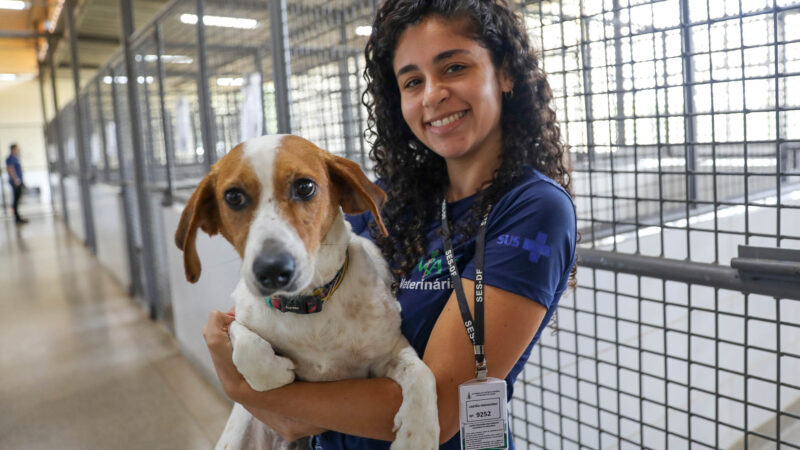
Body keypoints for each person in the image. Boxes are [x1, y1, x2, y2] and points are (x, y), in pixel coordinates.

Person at [202, 0, 577, 448]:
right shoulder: (390, 200)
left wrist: (247, 389)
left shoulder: (534, 209)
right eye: (412, 81)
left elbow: (439, 408)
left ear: (506, 73)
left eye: (454, 67)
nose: (433, 94)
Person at [6, 143, 27, 224]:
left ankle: (18, 217)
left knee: (17, 200)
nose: (18, 150)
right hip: (15, 182)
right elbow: (10, 169)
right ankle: (17, 218)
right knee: (15, 200)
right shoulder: (10, 158)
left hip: (18, 181)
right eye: (16, 149)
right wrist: (16, 180)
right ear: (13, 149)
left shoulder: (15, 157)